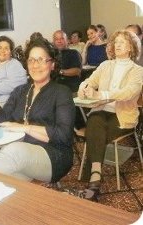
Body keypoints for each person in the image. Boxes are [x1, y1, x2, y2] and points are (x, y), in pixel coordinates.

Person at [0, 39, 75, 183]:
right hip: (23, 156)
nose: (35, 65)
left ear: (52, 65)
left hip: (53, 155)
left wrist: (24, 128)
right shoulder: (20, 91)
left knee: (14, 150)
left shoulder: (62, 92)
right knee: (1, 185)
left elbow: (63, 135)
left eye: (41, 60)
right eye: (31, 60)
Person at [77, 30, 143, 200]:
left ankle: (94, 178)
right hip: (101, 112)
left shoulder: (137, 71)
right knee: (96, 119)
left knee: (95, 127)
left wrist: (102, 95)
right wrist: (84, 88)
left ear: (131, 47)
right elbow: (89, 81)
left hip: (123, 116)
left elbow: (128, 93)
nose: (118, 45)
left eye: (123, 42)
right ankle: (96, 177)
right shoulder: (105, 65)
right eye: (116, 42)